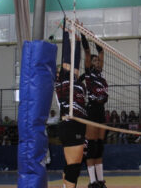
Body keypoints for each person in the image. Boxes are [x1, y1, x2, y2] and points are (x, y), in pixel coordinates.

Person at [55, 26, 87, 188]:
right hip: (69, 123)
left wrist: (78, 40)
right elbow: (66, 58)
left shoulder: (75, 82)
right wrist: (67, 33)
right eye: (60, 69)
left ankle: (65, 186)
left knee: (74, 164)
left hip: (79, 123)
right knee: (74, 165)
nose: (64, 67)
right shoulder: (62, 82)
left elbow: (75, 63)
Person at [81, 32, 108, 188]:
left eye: (98, 61)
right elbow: (87, 52)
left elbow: (101, 51)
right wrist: (83, 35)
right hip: (91, 111)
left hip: (101, 111)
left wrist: (94, 37)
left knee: (99, 147)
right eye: (95, 60)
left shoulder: (100, 74)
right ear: (90, 63)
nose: (98, 62)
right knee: (91, 148)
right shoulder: (89, 73)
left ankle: (100, 180)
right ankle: (92, 182)